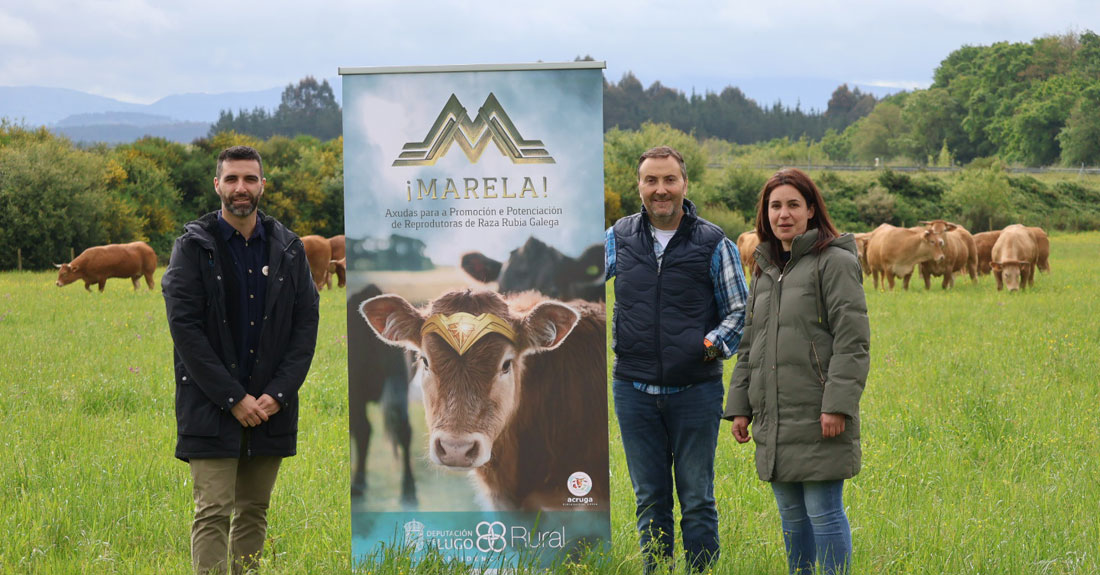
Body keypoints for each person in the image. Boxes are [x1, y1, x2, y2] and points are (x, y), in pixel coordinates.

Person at [163, 145, 319, 574]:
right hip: (210, 405)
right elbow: (185, 331)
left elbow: (305, 325)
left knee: (253, 510)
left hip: (270, 407)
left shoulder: (289, 248)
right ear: (217, 185)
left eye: (250, 178)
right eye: (231, 179)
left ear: (263, 185)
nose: (241, 188)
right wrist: (232, 398)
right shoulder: (192, 248)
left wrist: (278, 394)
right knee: (213, 510)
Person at [606, 145, 748, 573]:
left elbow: (740, 310)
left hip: (695, 391)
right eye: (651, 180)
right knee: (649, 497)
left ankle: (701, 570)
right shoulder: (618, 237)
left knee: (697, 497)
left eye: (669, 179)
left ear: (685, 184)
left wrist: (708, 347)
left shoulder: (714, 242)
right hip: (633, 389)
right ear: (639, 186)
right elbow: (576, 280)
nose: (660, 189)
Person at [724, 168, 870, 575]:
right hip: (774, 415)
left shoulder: (835, 263)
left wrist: (837, 405)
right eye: (775, 206)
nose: (783, 214)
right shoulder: (765, 269)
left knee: (824, 512)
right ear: (765, 214)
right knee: (791, 517)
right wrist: (740, 407)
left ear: (811, 210)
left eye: (793, 205)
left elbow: (852, 341)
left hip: (818, 413)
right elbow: (749, 345)